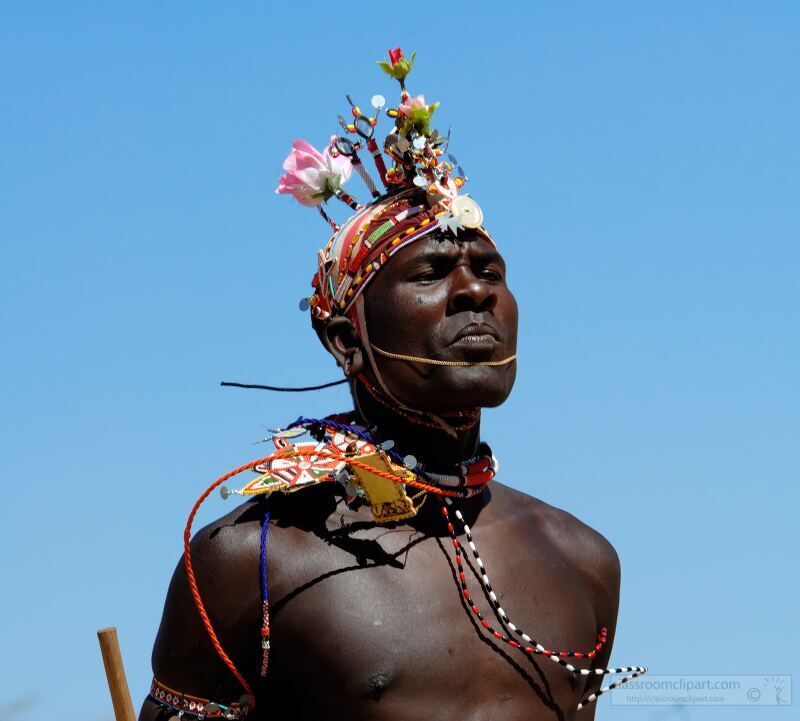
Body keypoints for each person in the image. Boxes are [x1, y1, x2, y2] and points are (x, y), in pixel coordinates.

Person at [139, 49, 644, 721]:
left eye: (490, 271)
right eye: (433, 272)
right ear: (346, 338)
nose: (474, 292)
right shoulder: (252, 561)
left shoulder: (582, 559)